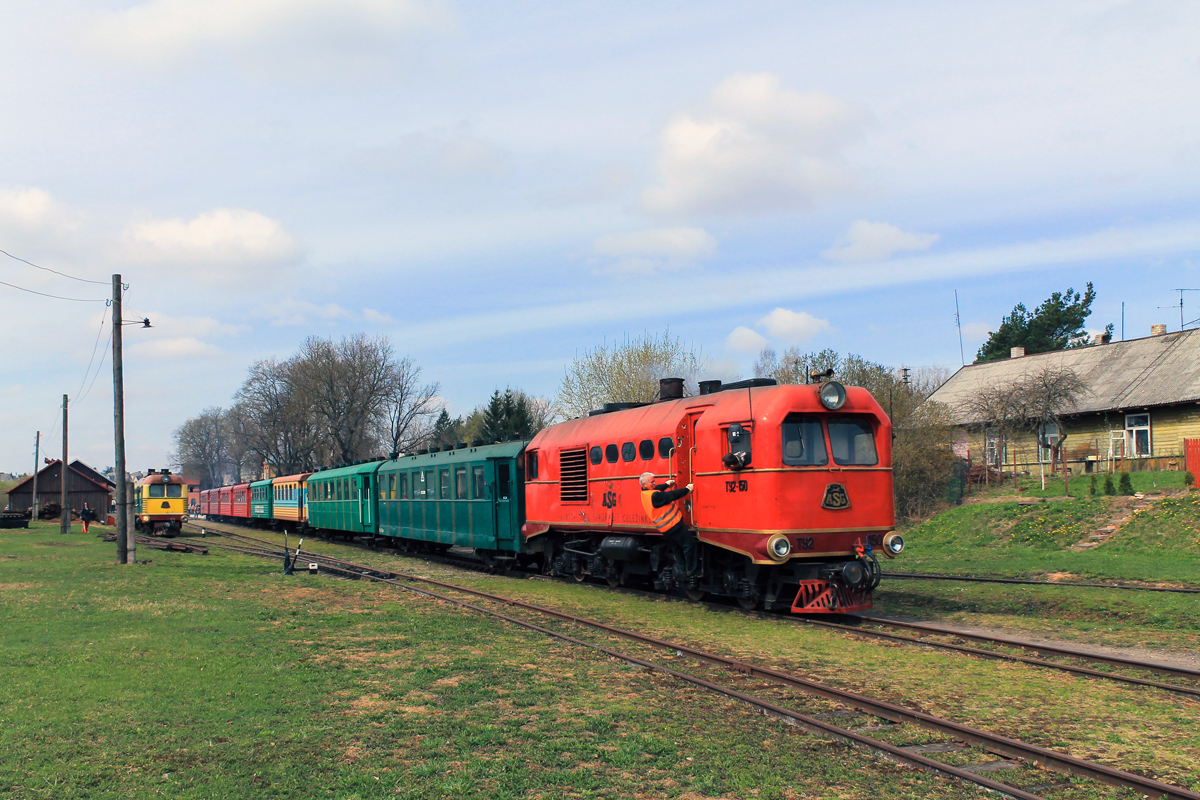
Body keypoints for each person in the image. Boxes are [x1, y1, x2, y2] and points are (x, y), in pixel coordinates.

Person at [639, 471, 699, 576]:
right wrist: (687, 489)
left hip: (666, 528)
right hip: (674, 525)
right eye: (652, 482)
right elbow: (671, 495)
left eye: (654, 481)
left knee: (677, 548)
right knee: (689, 545)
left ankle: (683, 570)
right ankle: (691, 570)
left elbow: (658, 488)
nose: (654, 483)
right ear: (644, 484)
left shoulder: (645, 493)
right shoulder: (655, 496)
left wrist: (666, 484)